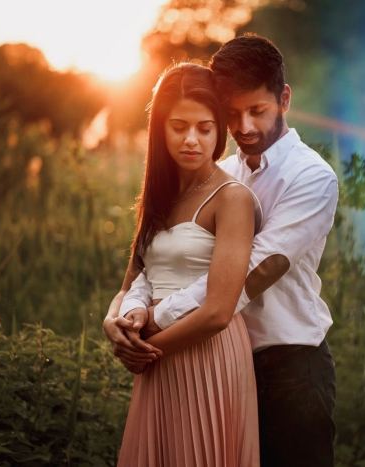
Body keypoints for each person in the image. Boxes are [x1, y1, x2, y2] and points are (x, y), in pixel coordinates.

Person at [105, 34, 339, 466]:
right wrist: (121, 312)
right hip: (221, 359)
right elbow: (154, 262)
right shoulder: (223, 172)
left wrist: (151, 323)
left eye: (258, 111)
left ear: (284, 99)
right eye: (232, 114)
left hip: (290, 365)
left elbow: (253, 274)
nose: (245, 127)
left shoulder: (310, 177)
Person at [108, 62, 260, 466]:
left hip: (205, 354)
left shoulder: (233, 199)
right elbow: (132, 283)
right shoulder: (159, 197)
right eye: (178, 126)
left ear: (219, 131)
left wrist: (143, 351)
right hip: (157, 361)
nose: (191, 139)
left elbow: (218, 311)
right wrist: (112, 324)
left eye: (204, 127)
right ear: (160, 128)